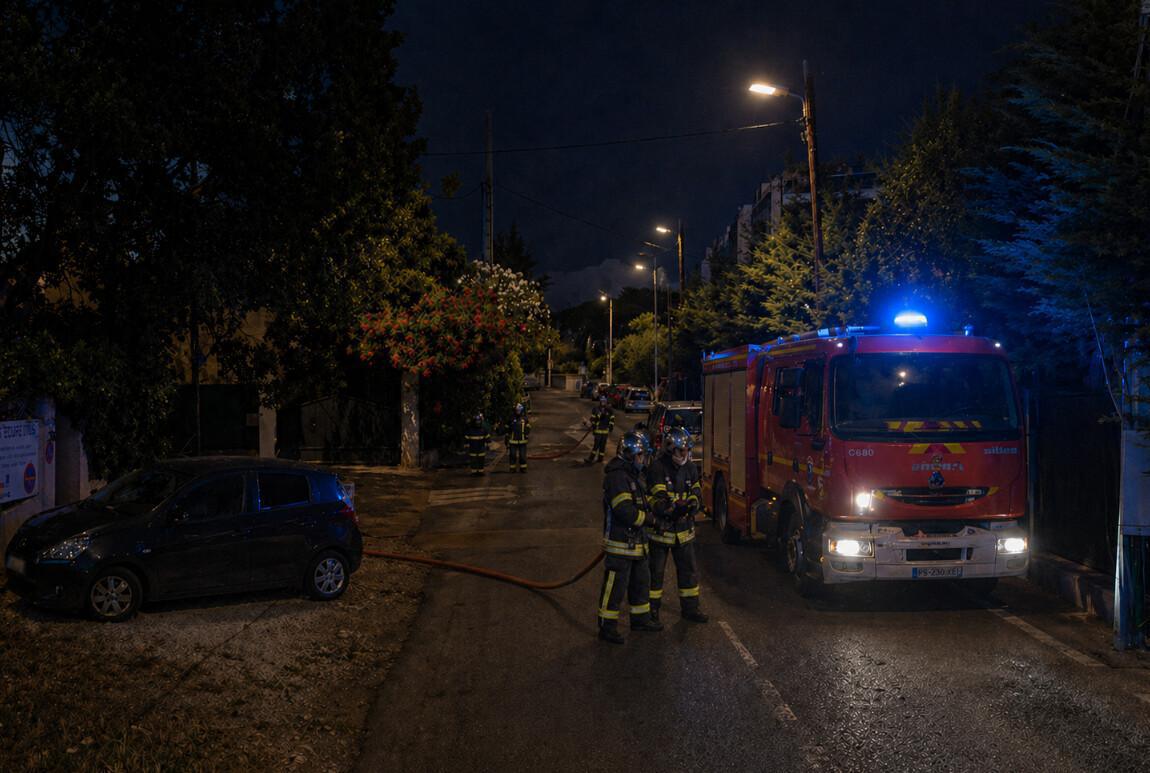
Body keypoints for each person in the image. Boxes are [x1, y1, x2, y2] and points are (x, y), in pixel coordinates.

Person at [597, 431, 663, 644]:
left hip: (637, 544)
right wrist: (649, 520)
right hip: (620, 545)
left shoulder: (632, 476)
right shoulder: (617, 477)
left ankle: (640, 620)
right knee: (615, 588)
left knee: (640, 584)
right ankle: (607, 627)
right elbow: (623, 510)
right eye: (641, 456)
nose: (643, 460)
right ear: (630, 454)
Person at [645, 427, 709, 624]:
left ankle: (690, 609)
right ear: (670, 449)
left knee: (689, 573)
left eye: (687, 450)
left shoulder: (690, 467)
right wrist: (671, 508)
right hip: (661, 531)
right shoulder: (657, 468)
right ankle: (652, 613)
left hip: (684, 531)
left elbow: (696, 492)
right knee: (655, 576)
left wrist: (692, 504)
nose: (685, 454)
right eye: (682, 451)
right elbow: (657, 500)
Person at [585, 396, 615, 464]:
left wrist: (611, 427)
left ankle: (600, 459)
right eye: (602, 401)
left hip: (605, 432)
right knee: (596, 446)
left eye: (604, 401)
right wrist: (590, 424)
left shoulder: (609, 410)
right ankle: (591, 459)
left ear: (606, 402)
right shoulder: (596, 409)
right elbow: (592, 418)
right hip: (598, 430)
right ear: (600, 401)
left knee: (602, 446)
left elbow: (612, 419)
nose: (603, 402)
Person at [505, 402, 531, 473]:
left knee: (522, 456)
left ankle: (523, 468)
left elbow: (528, 428)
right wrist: (507, 438)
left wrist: (526, 434)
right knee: (512, 455)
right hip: (513, 441)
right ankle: (512, 468)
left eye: (519, 410)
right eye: (517, 410)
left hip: (522, 441)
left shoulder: (525, 419)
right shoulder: (511, 418)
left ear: (521, 410)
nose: (518, 412)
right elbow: (507, 429)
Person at [464, 412, 490, 476]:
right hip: (473, 448)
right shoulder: (470, 430)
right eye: (476, 421)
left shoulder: (483, 429)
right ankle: (474, 472)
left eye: (479, 421)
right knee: (473, 460)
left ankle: (480, 471)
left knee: (481, 460)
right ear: (474, 422)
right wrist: (466, 446)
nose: (478, 422)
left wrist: (488, 444)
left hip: (481, 448)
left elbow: (487, 437)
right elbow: (466, 438)